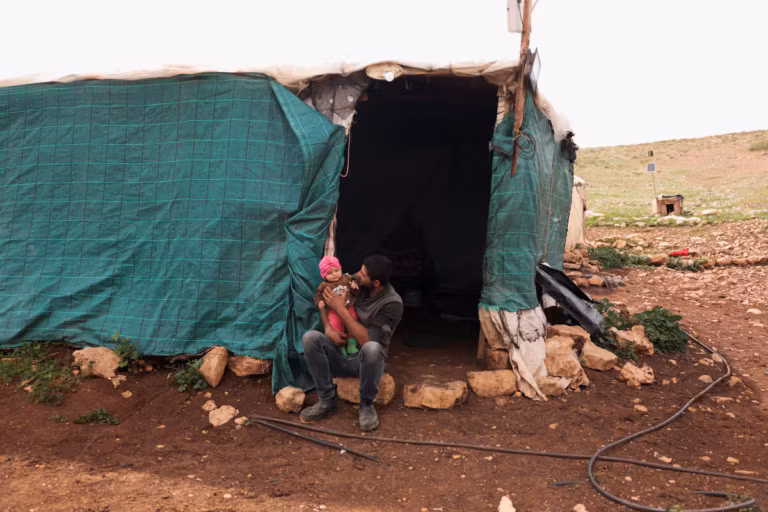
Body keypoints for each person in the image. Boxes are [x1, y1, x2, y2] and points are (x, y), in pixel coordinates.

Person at [300, 254, 403, 431]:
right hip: (339, 354)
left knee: (372, 348)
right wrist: (328, 329)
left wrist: (341, 309)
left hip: (365, 363)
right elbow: (326, 296)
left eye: (362, 274)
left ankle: (366, 404)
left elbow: (368, 340)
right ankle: (326, 399)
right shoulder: (353, 281)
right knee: (310, 338)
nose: (357, 275)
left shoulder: (392, 303)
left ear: (376, 283)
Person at [314, 256, 360, 357]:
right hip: (333, 310)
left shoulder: (347, 278)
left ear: (341, 269)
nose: (334, 274)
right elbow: (318, 296)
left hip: (348, 307)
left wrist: (355, 285)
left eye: (337, 270)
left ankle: (352, 345)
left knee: (353, 323)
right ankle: (340, 347)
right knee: (335, 326)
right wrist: (319, 302)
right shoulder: (324, 285)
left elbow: (356, 279)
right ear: (324, 275)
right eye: (330, 273)